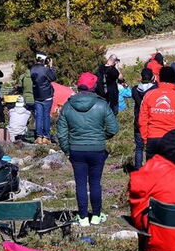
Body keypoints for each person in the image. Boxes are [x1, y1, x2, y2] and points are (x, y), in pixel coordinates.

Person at [57, 72, 120, 226]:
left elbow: (61, 133)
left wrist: (67, 150)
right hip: (97, 149)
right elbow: (113, 128)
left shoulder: (68, 105)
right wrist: (100, 138)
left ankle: (83, 217)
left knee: (80, 184)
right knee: (95, 183)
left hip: (76, 149)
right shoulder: (102, 104)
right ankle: (96, 216)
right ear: (94, 86)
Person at [139, 66, 175, 159]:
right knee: (170, 171)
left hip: (152, 138)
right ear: (174, 79)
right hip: (172, 139)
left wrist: (145, 138)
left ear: (159, 78)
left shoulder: (149, 95)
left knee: (153, 171)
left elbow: (142, 119)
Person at [130, 69, 157, 170]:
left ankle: (138, 169)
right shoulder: (154, 89)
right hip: (150, 120)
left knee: (139, 147)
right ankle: (150, 169)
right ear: (151, 77)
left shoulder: (135, 90)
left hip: (138, 120)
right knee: (151, 148)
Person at [30, 54, 56, 145]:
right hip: (47, 95)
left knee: (39, 116)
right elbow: (53, 78)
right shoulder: (46, 70)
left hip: (37, 96)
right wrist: (51, 67)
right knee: (46, 116)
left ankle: (39, 137)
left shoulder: (32, 69)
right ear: (45, 60)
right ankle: (46, 137)